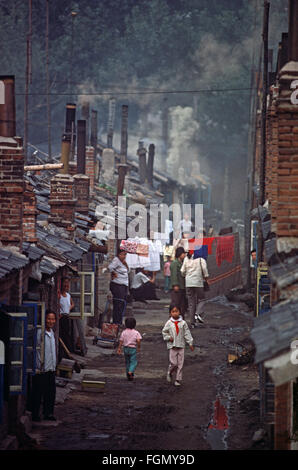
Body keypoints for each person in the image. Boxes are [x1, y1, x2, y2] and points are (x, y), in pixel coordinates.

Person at [31, 311, 57, 422]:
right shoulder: (39, 333)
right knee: (38, 392)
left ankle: (48, 413)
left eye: (53, 319)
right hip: (41, 368)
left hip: (51, 368)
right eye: (48, 319)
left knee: (50, 393)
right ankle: (35, 414)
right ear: (44, 319)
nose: (51, 321)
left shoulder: (52, 333)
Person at [162, 304, 194, 386]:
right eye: (173, 312)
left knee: (180, 364)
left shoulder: (183, 323)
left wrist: (190, 342)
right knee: (174, 363)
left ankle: (178, 379)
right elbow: (164, 332)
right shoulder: (169, 323)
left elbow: (187, 333)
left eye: (176, 311)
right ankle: (170, 372)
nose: (175, 313)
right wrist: (169, 337)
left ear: (179, 312)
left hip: (181, 345)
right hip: (172, 346)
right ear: (170, 313)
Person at [181, 252, 209, 328]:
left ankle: (192, 323)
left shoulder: (186, 258)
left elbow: (182, 271)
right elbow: (204, 270)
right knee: (202, 299)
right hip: (198, 283)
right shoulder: (201, 259)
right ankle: (197, 313)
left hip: (188, 283)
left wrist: (186, 276)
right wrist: (206, 278)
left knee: (191, 303)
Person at [108, 249, 130, 325]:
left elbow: (128, 271)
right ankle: (116, 322)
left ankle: (119, 322)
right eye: (122, 254)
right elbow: (110, 267)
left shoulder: (123, 262)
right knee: (118, 304)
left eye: (125, 255)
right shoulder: (116, 260)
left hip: (124, 285)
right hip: (118, 285)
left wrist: (125, 264)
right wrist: (114, 273)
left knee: (122, 304)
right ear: (118, 255)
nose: (124, 256)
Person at [170, 247, 187, 319]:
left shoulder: (182, 262)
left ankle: (181, 318)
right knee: (176, 303)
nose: (184, 255)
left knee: (182, 304)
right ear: (180, 254)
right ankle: (173, 318)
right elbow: (174, 274)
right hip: (177, 286)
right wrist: (175, 284)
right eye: (183, 253)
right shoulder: (175, 263)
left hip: (182, 286)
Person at [59, 277, 75, 353]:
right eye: (65, 282)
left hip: (67, 317)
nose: (66, 285)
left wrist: (68, 309)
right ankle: (62, 352)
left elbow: (73, 304)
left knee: (67, 336)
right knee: (62, 335)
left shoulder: (68, 295)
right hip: (61, 318)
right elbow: (57, 305)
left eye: (68, 283)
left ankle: (67, 352)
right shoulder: (59, 296)